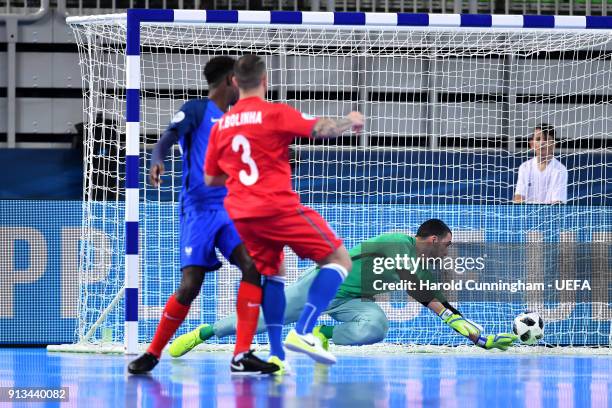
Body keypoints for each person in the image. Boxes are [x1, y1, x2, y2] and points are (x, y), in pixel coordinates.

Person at [204, 54, 364, 374]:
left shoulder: (221, 125)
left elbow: (211, 178)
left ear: (235, 82)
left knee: (271, 274)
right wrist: (350, 121)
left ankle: (277, 355)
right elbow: (320, 130)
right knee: (339, 260)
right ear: (265, 81)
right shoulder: (275, 113)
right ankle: (303, 331)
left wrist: (240, 178)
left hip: (241, 214)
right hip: (276, 208)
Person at [128, 56, 278, 375]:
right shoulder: (197, 110)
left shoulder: (239, 117)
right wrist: (157, 159)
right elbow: (167, 138)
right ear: (229, 81)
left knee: (253, 268)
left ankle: (241, 354)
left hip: (232, 208)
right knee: (190, 284)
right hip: (198, 210)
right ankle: (153, 353)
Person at [169, 219, 518, 356]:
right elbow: (425, 293)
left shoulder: (421, 267)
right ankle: (205, 332)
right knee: (259, 321)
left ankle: (320, 332)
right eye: (446, 244)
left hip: (353, 302)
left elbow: (439, 306)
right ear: (431, 239)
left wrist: (480, 338)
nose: (447, 250)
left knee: (376, 325)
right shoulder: (399, 243)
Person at [513, 124, 568, 204]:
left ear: (554, 144)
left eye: (547, 139)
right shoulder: (524, 167)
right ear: (532, 144)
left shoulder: (560, 170)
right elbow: (518, 198)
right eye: (538, 139)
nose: (542, 143)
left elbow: (557, 203)